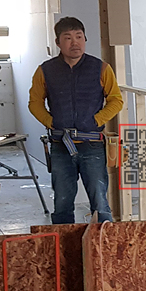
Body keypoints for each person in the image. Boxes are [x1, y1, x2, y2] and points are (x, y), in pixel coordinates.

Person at [28, 17, 123, 224]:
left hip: (92, 145)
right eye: (68, 38)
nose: (75, 43)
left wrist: (96, 120)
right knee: (62, 202)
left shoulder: (101, 68)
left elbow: (116, 100)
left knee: (100, 202)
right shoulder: (45, 70)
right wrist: (51, 122)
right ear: (58, 42)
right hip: (60, 145)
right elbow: (35, 102)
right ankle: (63, 243)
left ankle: (102, 242)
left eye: (79, 37)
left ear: (85, 39)